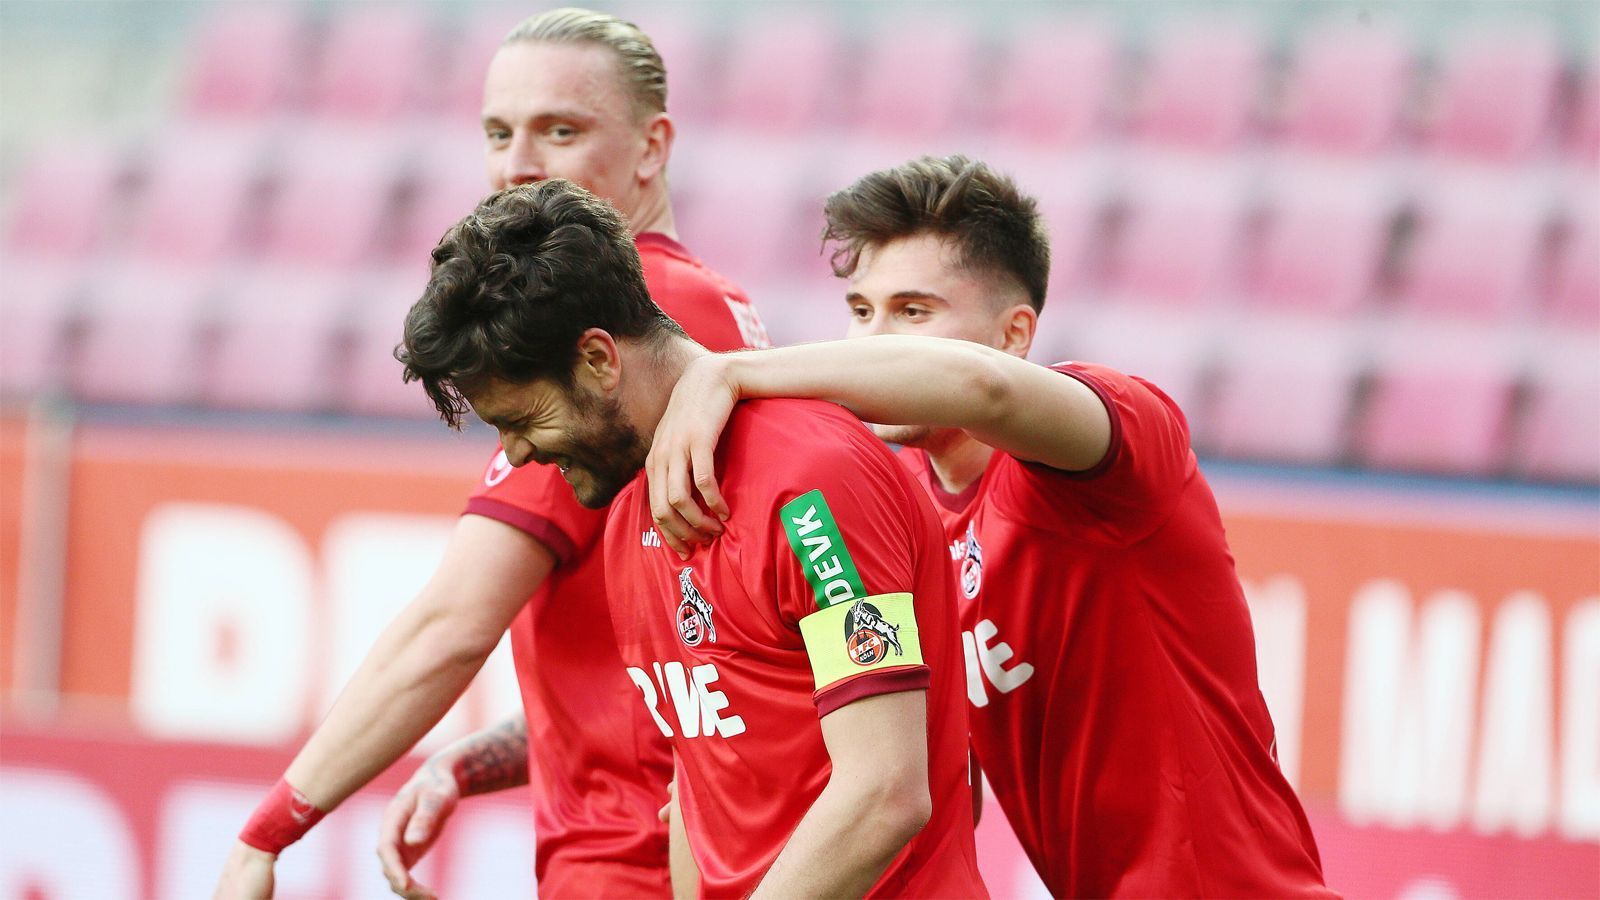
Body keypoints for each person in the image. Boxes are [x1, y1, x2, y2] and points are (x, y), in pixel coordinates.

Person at [646, 156, 1337, 898]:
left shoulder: (1118, 446)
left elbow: (987, 391)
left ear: (1013, 334)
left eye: (913, 312)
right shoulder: (892, 510)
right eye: (859, 311)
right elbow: (941, 787)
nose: (872, 340)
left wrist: (731, 372)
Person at [213, 10, 768, 900]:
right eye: (498, 132)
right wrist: (474, 762)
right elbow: (655, 649)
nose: (517, 164)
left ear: (652, 147)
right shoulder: (706, 303)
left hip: (635, 860)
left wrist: (266, 832)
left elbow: (452, 625)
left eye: (561, 130)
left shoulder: (633, 319)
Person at [398, 178, 988, 899]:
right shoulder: (629, 519)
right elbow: (698, 795)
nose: (517, 455)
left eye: (522, 420)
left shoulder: (810, 485)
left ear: (597, 360)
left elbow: (886, 794)